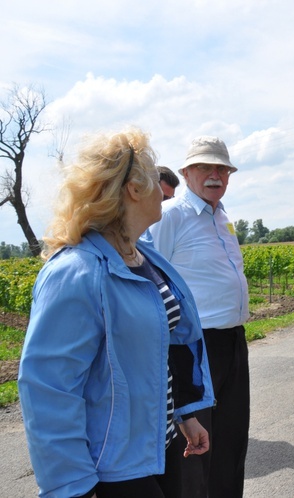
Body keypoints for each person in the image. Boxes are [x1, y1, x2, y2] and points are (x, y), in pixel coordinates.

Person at [19, 128, 213, 498]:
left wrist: (183, 414)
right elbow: (48, 389)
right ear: (133, 189)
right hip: (110, 468)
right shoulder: (76, 272)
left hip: (156, 445)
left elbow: (157, 350)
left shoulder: (144, 258)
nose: (164, 189)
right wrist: (72, 486)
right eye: (156, 179)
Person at [149, 135, 250, 498]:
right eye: (205, 167)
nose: (215, 174)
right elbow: (151, 278)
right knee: (195, 448)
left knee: (232, 439)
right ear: (186, 172)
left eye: (222, 168)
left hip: (233, 340)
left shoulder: (222, 216)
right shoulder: (171, 216)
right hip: (196, 344)